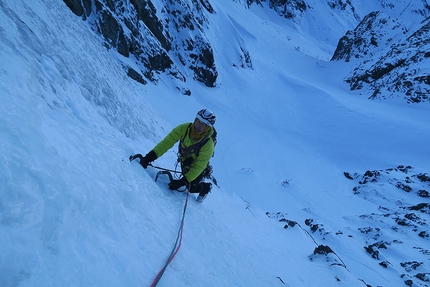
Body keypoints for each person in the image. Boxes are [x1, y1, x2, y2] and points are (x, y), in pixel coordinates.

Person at [139, 109, 216, 202]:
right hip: (185, 161)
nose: (198, 126)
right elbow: (167, 143)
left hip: (198, 167)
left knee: (191, 188)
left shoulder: (208, 145)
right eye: (198, 121)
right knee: (188, 179)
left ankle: (206, 188)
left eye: (203, 124)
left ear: (207, 127)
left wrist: (182, 182)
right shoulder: (184, 128)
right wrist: (150, 157)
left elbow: (199, 166)